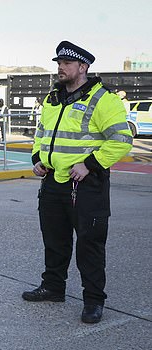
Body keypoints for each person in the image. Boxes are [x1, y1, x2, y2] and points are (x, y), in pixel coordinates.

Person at [22, 41, 133, 324]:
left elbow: (122, 140)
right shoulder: (52, 99)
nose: (60, 67)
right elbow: (42, 133)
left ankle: (94, 301)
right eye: (58, 63)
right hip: (52, 182)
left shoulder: (102, 99)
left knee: (89, 246)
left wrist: (90, 164)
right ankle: (53, 287)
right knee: (54, 241)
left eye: (67, 63)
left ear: (83, 67)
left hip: (85, 186)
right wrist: (37, 157)